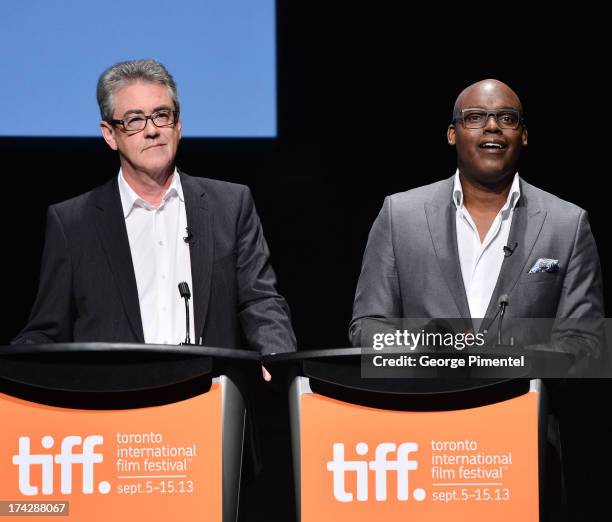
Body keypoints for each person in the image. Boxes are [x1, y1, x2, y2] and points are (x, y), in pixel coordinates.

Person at [12, 59, 296, 369]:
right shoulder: (72, 222)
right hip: (114, 402)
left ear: (178, 125)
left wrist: (278, 362)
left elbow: (261, 302)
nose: (151, 130)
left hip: (209, 399)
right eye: (134, 120)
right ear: (110, 134)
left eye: (162, 115)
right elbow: (46, 330)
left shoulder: (230, 205)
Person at [350, 79, 604, 356]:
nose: (492, 126)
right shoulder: (399, 216)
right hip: (424, 397)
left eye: (507, 118)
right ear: (452, 134)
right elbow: (367, 329)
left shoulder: (567, 224)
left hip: (521, 397)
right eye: (475, 117)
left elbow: (585, 343)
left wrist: (504, 364)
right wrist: (429, 348)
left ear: (524, 135)